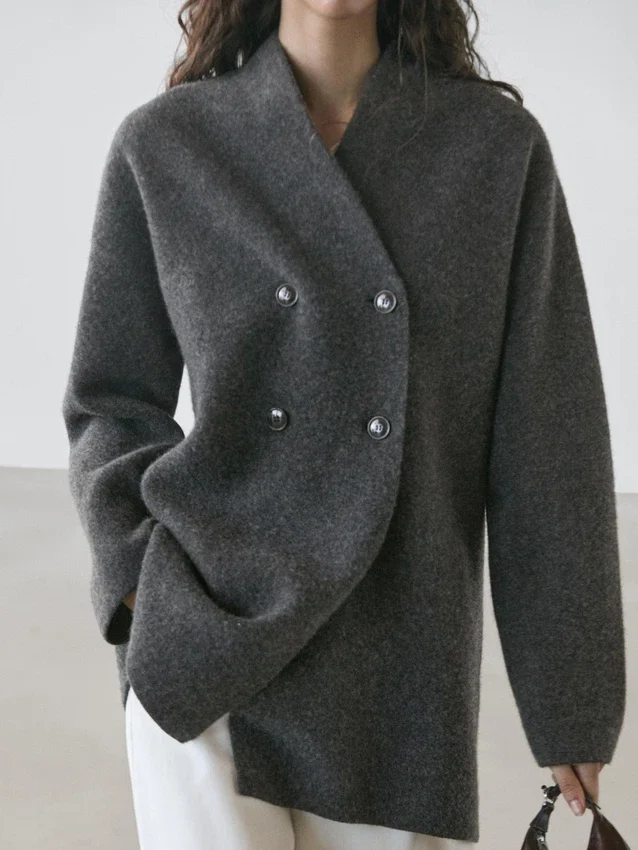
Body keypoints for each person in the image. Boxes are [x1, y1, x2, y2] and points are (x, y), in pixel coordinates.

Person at [61, 0, 627, 847]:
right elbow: (109, 399)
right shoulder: (171, 144)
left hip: (399, 666)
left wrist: (570, 700)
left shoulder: (493, 152)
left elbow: (549, 443)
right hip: (207, 645)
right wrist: (141, 584)